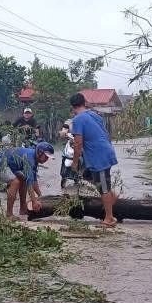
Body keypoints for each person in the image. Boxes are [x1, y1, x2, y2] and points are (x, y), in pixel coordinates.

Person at [69, 93, 119, 227]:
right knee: (93, 179)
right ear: (84, 102)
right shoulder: (94, 115)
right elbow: (104, 133)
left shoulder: (78, 119)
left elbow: (78, 144)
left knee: (103, 187)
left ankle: (109, 218)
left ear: (73, 107)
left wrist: (74, 162)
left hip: (99, 156)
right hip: (104, 151)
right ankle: (112, 198)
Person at [0, 141, 54, 220]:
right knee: (15, 182)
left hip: (11, 165)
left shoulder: (34, 158)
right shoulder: (30, 159)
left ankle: (23, 209)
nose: (47, 159)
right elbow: (30, 185)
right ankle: (9, 214)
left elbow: (34, 181)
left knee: (24, 179)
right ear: (39, 153)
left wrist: (40, 196)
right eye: (46, 157)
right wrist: (34, 201)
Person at [59, 119, 79, 190]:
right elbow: (62, 134)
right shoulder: (69, 122)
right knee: (64, 171)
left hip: (79, 147)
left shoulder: (84, 123)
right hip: (69, 151)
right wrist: (64, 133)